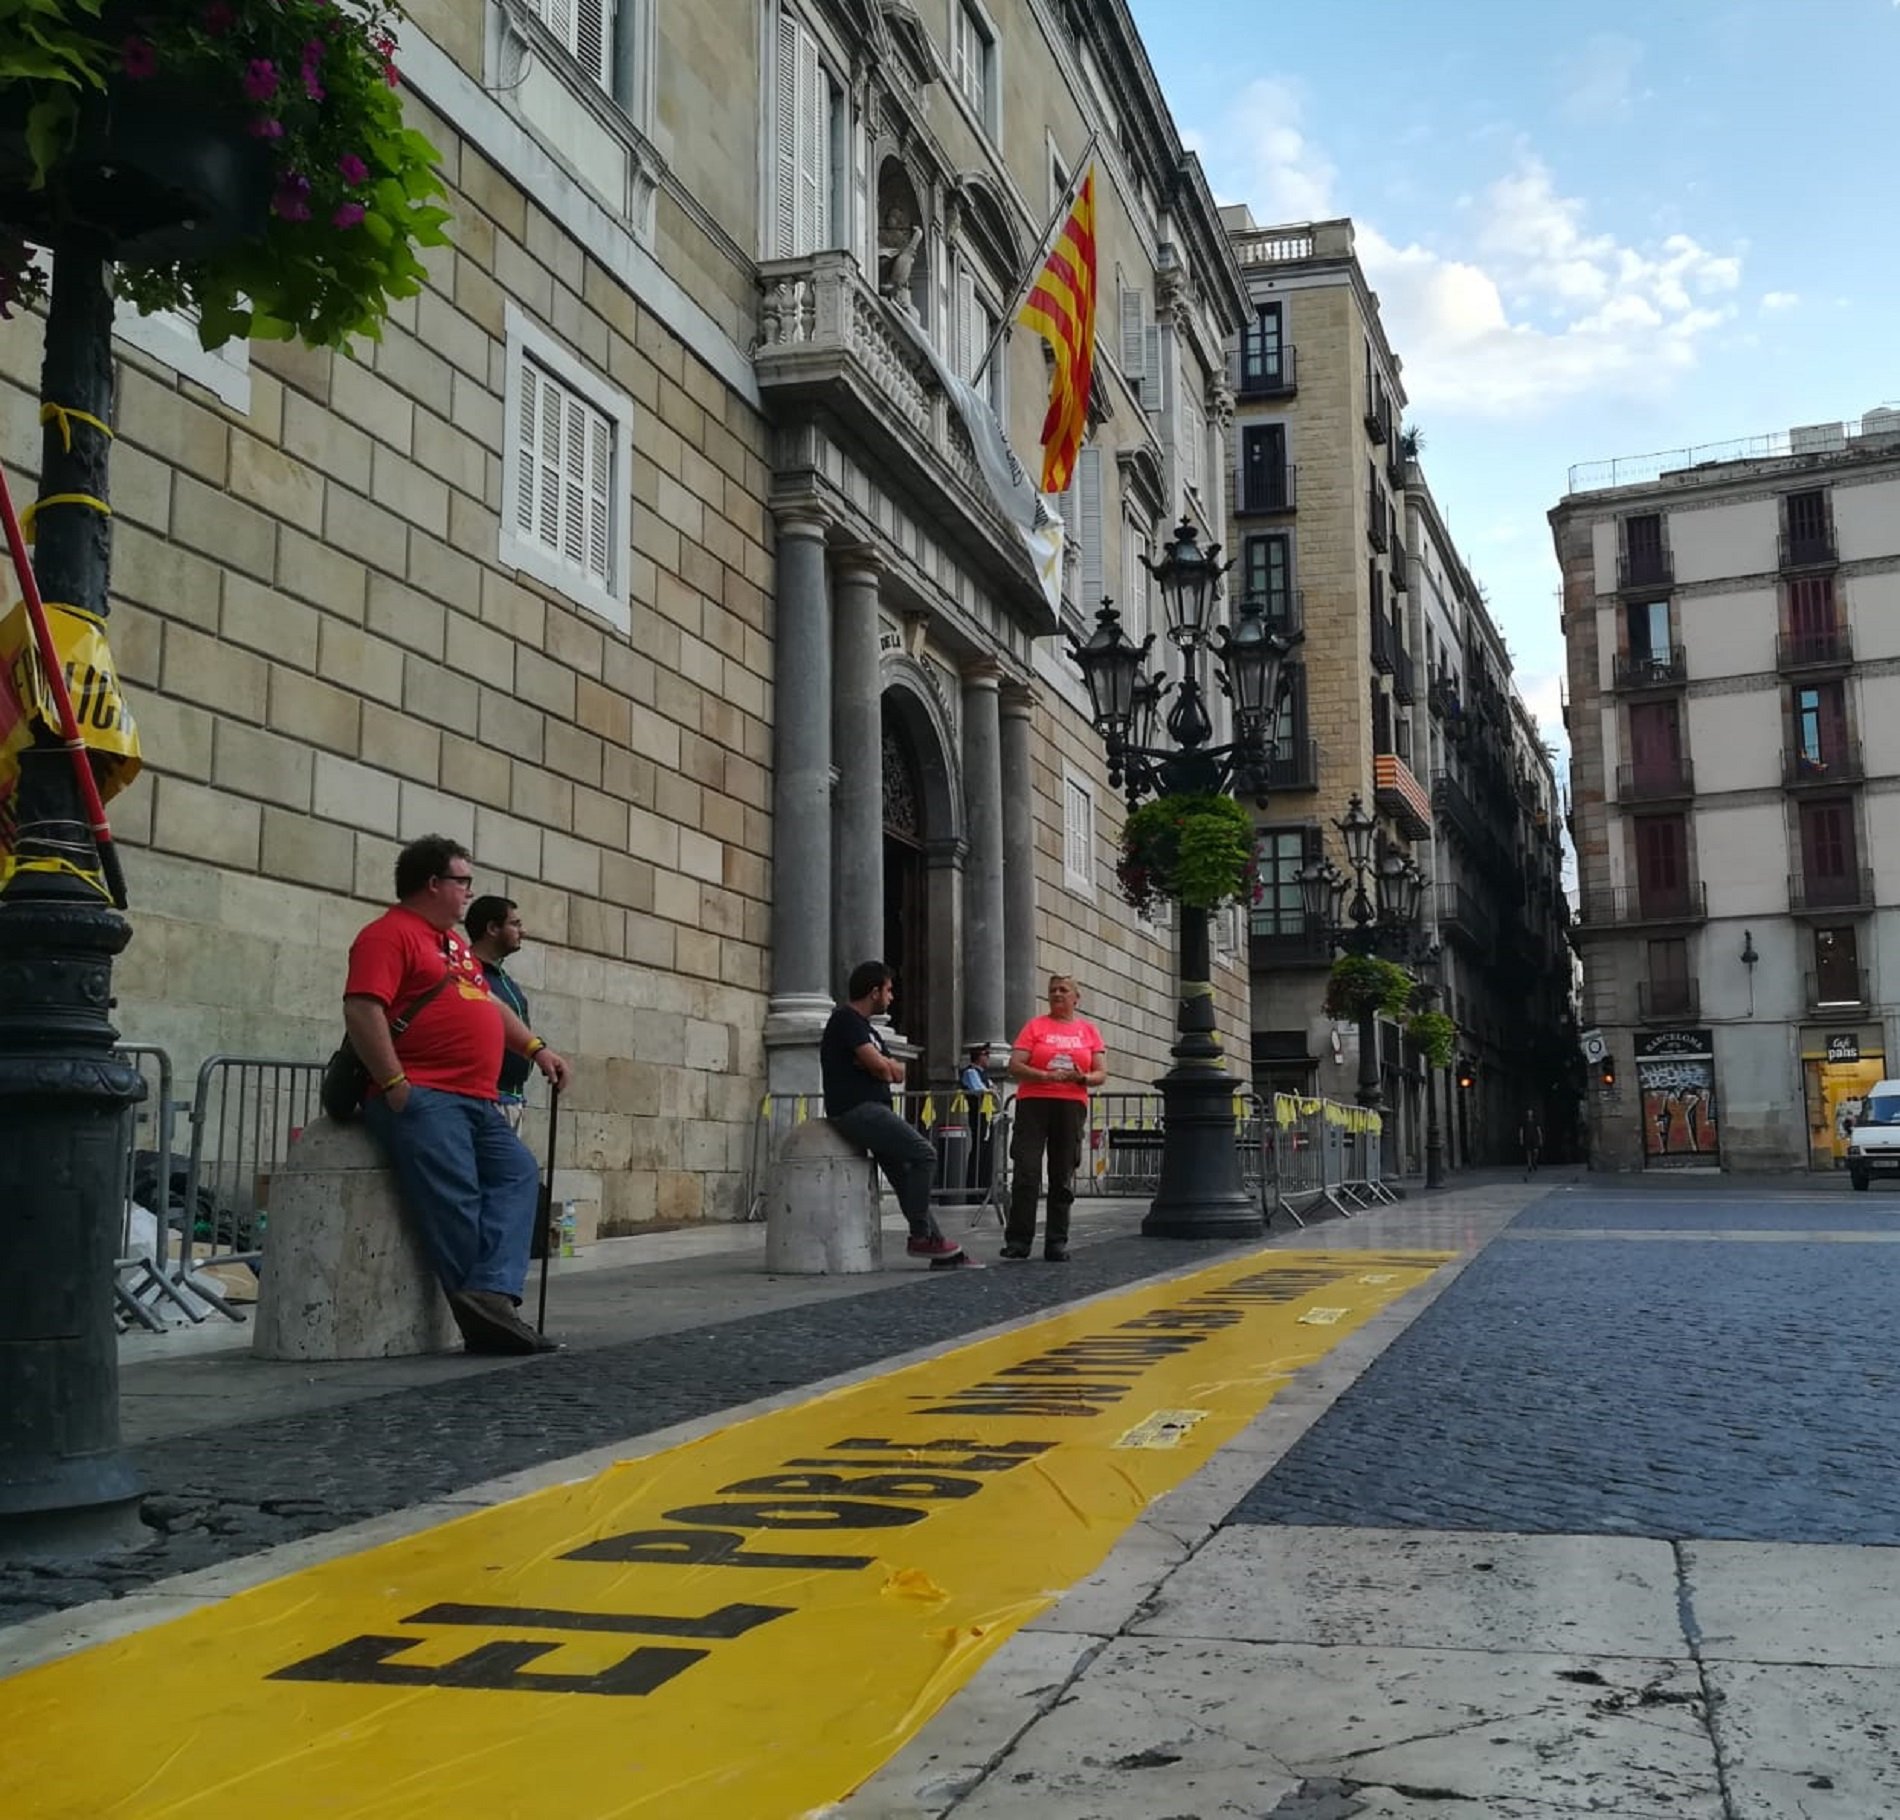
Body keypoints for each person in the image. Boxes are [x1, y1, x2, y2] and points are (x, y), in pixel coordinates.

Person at [345, 835, 572, 1354]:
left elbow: (488, 1004)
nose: (469, 892)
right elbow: (362, 1008)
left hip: (476, 1097)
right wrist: (397, 1085)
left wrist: (537, 1049)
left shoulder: (452, 946)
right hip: (424, 1093)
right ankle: (486, 1311)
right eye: (463, 881)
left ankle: (488, 1293)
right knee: (456, 1197)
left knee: (517, 1173)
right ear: (433, 884)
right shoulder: (388, 935)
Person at [821, 961, 964, 1263]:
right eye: (888, 990)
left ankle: (938, 1247)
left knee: (905, 1174)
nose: (891, 997)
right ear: (874, 992)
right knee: (924, 1154)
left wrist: (881, 1066)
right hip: (859, 1109)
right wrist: (880, 1067)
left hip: (874, 1108)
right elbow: (880, 1067)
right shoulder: (845, 1020)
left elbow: (896, 1071)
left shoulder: (867, 1029)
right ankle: (921, 1236)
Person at [1003, 975, 1107, 1261]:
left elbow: (1100, 1074)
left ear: (1076, 998)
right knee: (1027, 1171)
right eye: (1052, 990)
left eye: (1063, 990)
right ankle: (1018, 1241)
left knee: (1062, 1175)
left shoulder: (1088, 1031)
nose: (1057, 994)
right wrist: (1045, 1076)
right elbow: (1015, 1065)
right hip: (1034, 1103)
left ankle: (1056, 1241)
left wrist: (1082, 1077)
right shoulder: (1035, 1027)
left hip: (1070, 1104)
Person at [466, 894, 532, 1129]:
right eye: (515, 924)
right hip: (483, 1100)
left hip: (512, 1099)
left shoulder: (504, 980)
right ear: (492, 928)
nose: (523, 931)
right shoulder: (466, 973)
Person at [960, 1043, 996, 1204]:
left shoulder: (983, 1073)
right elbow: (980, 1090)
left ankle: (984, 1189)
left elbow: (992, 1089)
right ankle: (975, 1191)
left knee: (987, 1152)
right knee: (979, 1151)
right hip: (979, 1115)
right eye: (986, 1055)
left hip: (986, 1115)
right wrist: (991, 1091)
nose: (988, 1058)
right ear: (979, 1056)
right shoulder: (971, 1072)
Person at [1518, 1107, 1544, 1177]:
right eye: (1528, 1112)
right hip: (1527, 1137)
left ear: (1532, 1113)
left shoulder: (1535, 1120)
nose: (1530, 1113)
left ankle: (1534, 1161)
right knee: (1528, 1152)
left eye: (1531, 1112)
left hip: (1534, 1137)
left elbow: (1538, 1129)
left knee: (1536, 1151)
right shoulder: (1524, 1121)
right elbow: (1521, 1130)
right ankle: (1529, 1165)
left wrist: (1540, 1138)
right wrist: (1521, 1138)